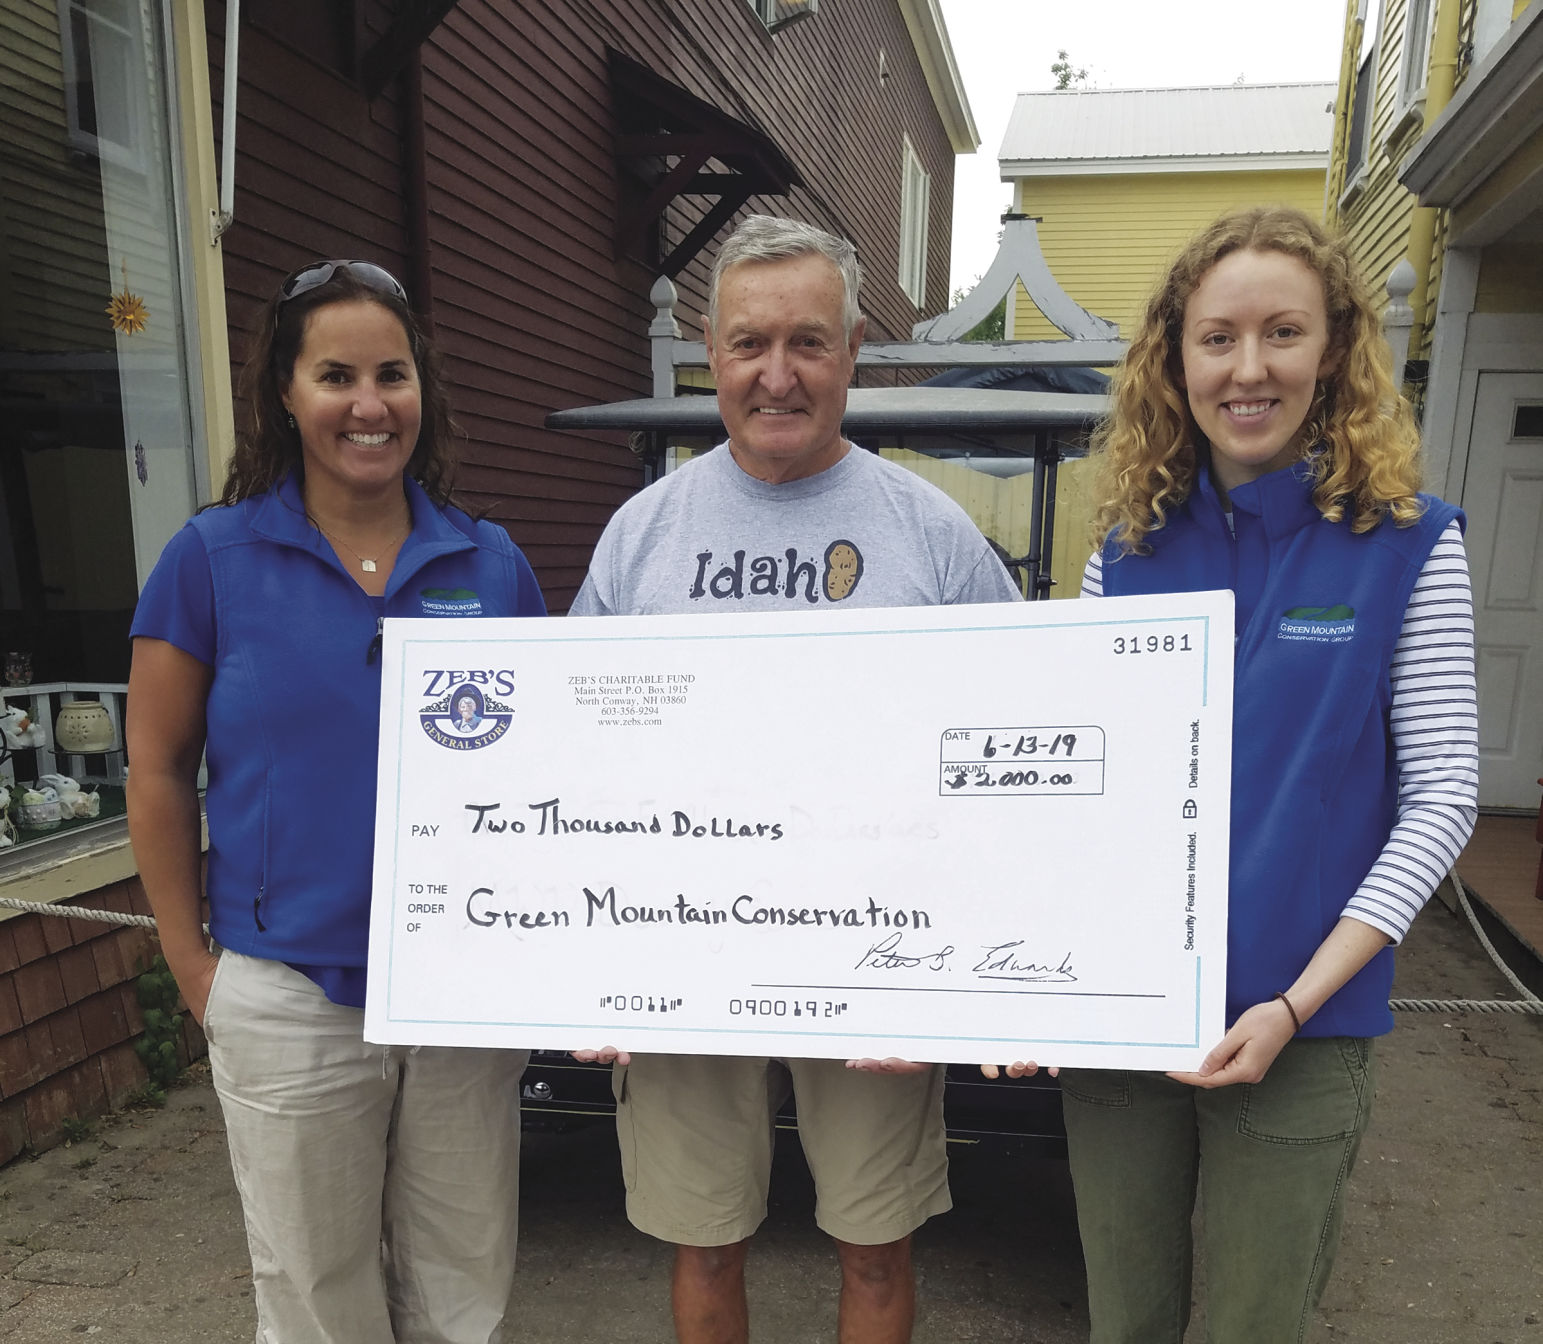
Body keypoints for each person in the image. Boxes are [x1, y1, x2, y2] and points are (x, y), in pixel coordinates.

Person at [1014, 206, 1477, 1343]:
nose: (1249, 368)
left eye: (1282, 332)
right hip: (1126, 1022)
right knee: (1123, 1321)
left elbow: (1443, 796)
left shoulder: (1411, 542)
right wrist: (1025, 972)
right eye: (1217, 338)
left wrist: (1292, 1004)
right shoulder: (1125, 551)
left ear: (1334, 351)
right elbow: (1075, 785)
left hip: (1299, 1030)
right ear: (1176, 358)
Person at [570, 214, 1022, 1344]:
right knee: (704, 1237)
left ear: (854, 351)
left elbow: (1020, 746)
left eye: (808, 343)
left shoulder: (933, 535)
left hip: (878, 950)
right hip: (685, 943)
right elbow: (574, 757)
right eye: (748, 345)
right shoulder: (641, 537)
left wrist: (992, 962)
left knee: (875, 1243)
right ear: (711, 355)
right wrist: (579, 962)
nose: (777, 375)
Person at [125, 259, 547, 1344]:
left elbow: (550, 777)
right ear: (286, 392)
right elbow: (158, 770)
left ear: (423, 391)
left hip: (458, 992)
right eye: (336, 375)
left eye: (392, 375)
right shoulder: (210, 559)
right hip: (288, 993)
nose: (369, 405)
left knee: (462, 1290)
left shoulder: (490, 566)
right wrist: (193, 968)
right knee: (317, 1301)